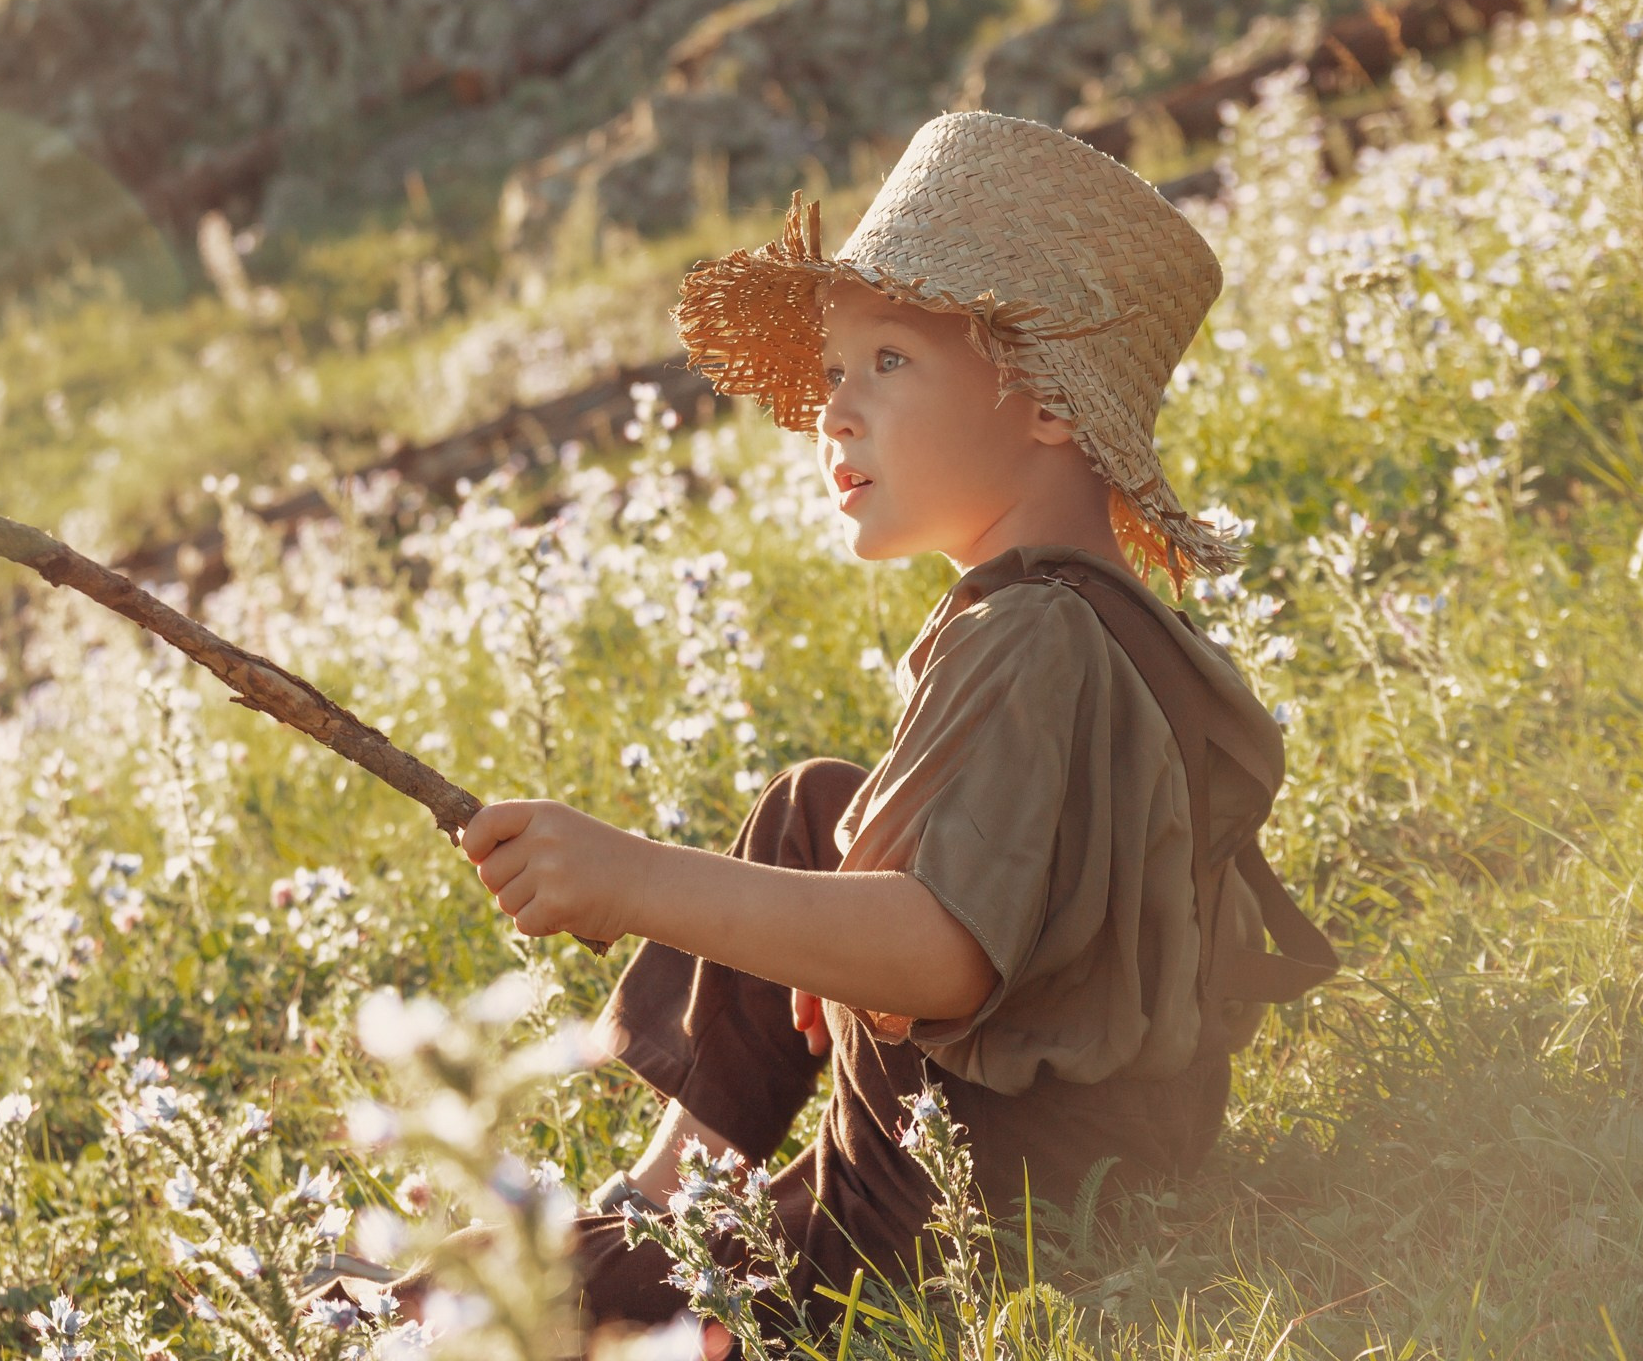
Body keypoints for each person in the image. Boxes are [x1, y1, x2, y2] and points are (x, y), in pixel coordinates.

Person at [436, 110, 1336, 1346]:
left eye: (889, 363)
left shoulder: (1026, 635)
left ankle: (649, 1248)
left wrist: (635, 877)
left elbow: (942, 955)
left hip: (962, 1203)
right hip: (1082, 1145)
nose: (833, 413)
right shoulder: (1101, 621)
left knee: (504, 1310)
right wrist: (836, 953)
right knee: (820, 805)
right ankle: (659, 1193)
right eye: (831, 375)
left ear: (1051, 408)